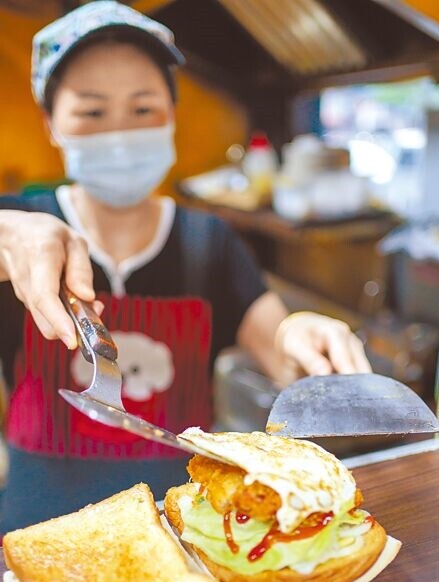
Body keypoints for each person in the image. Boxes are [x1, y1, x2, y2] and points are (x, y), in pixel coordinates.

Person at [0, 1, 371, 532]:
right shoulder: (24, 224)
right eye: (92, 112)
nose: (120, 132)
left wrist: (298, 332)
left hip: (180, 520)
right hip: (40, 522)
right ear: (50, 124)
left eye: (144, 108)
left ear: (172, 117)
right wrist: (7, 233)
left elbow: (278, 347)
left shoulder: (209, 239)